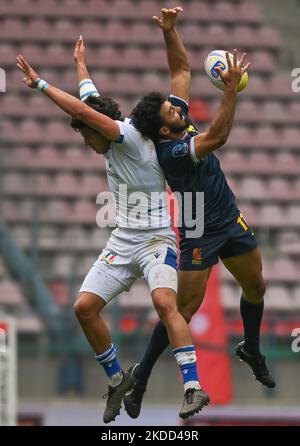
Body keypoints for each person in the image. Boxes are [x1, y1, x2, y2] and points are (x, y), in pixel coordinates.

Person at [16, 27, 209, 422]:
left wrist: (39, 84)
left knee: (164, 303)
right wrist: (81, 66)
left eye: (87, 138)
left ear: (99, 130)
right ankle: (118, 379)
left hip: (157, 237)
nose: (87, 144)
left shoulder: (123, 136)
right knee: (84, 308)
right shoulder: (110, 128)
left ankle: (192, 387)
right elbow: (90, 100)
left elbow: (84, 112)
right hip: (124, 238)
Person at [123, 7, 276, 419]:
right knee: (182, 311)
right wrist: (230, 91)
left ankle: (251, 348)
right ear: (163, 131)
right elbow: (220, 136)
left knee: (257, 286)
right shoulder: (172, 152)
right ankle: (140, 377)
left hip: (228, 216)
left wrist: (170, 31)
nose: (181, 109)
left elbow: (181, 69)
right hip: (197, 228)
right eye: (174, 113)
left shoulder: (172, 122)